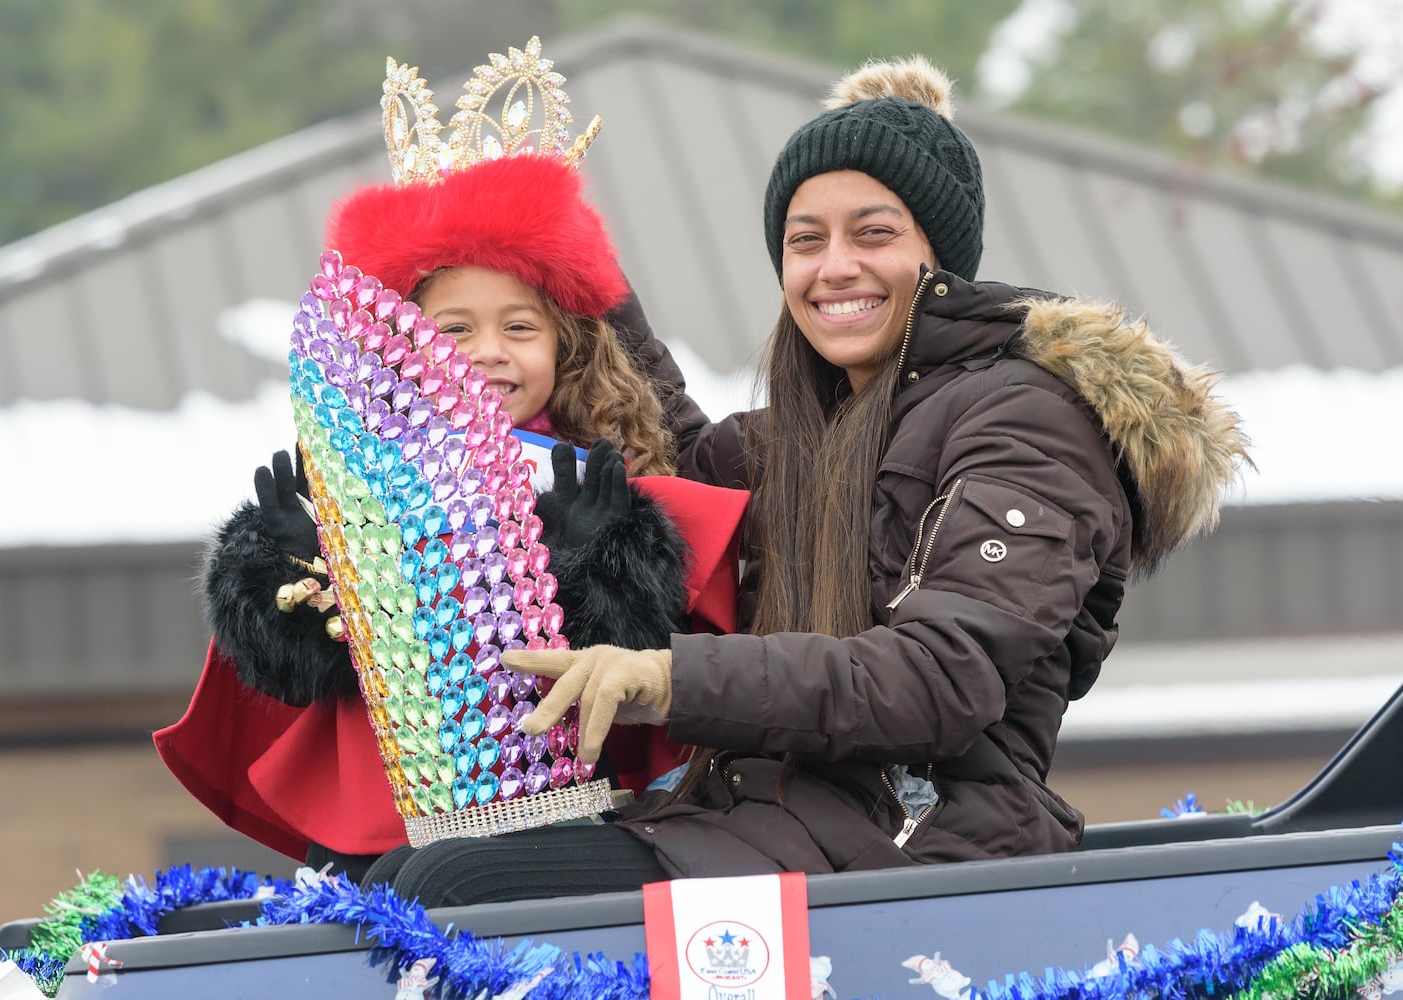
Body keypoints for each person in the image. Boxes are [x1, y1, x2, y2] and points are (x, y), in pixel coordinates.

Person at [370, 53, 1248, 905]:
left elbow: (940, 678)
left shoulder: (1029, 421)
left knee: (462, 889)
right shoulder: (813, 430)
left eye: (874, 233)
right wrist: (559, 261)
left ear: (940, 256)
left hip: (917, 854)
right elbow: (670, 460)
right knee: (400, 872)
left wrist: (668, 679)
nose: (835, 267)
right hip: (765, 820)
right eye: (805, 240)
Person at [152, 41, 748, 884]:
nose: (488, 354)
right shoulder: (355, 486)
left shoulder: (604, 485)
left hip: (558, 827)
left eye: (519, 327)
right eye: (454, 329)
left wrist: (592, 561)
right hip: (375, 831)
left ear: (566, 347)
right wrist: (287, 573)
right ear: (402, 343)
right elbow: (302, 676)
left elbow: (621, 682)